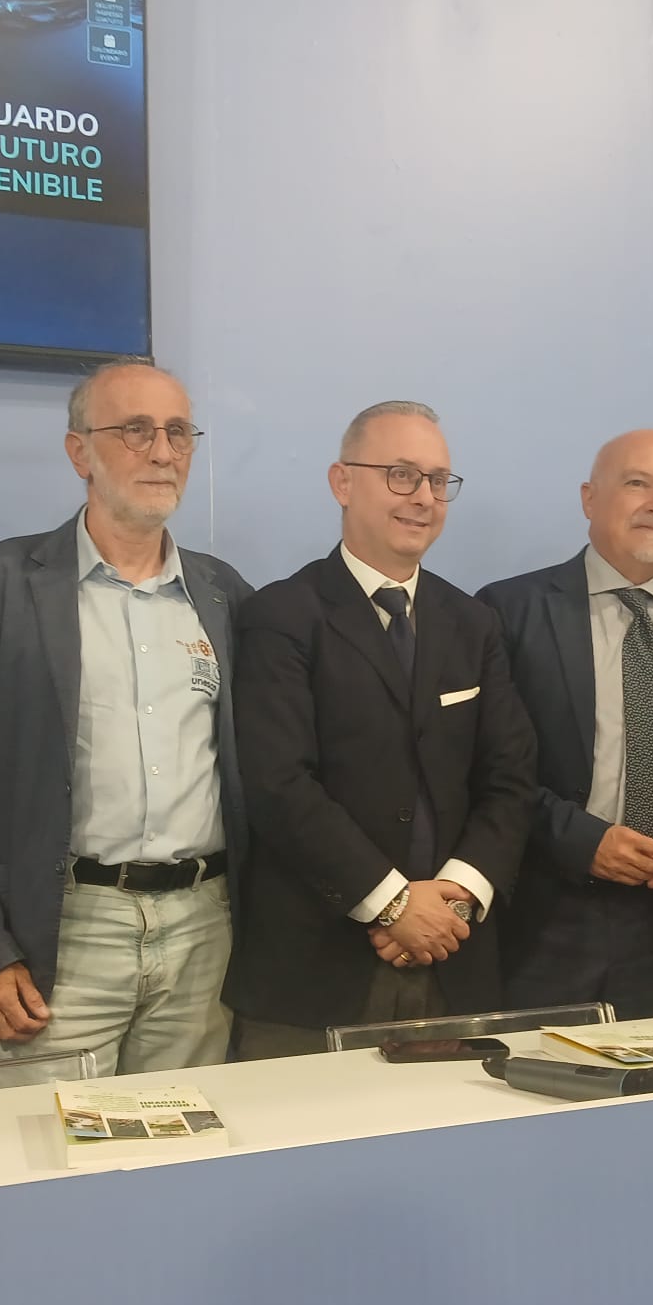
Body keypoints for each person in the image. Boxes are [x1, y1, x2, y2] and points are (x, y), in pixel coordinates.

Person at [0, 359, 252, 1077]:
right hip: (59, 936)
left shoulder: (223, 595)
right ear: (79, 451)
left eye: (178, 432)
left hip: (203, 934)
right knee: (50, 1144)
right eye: (136, 430)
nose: (163, 452)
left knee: (186, 1141)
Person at [226, 400, 537, 1056]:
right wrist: (394, 904)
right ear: (342, 482)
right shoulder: (282, 615)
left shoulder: (473, 623)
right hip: (315, 969)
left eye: (438, 480)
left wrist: (455, 897)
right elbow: (279, 785)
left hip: (454, 960)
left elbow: (511, 778)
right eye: (401, 475)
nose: (423, 497)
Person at [479, 429, 653, 1017]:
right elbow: (481, 767)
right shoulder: (508, 611)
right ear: (589, 498)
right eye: (638, 483)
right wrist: (582, 841)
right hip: (542, 920)